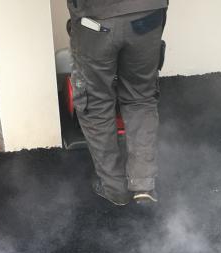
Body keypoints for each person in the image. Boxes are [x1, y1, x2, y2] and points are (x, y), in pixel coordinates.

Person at [67, 0, 168, 206]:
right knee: (140, 98)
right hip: (148, 12)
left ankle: (114, 188)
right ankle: (143, 183)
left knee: (95, 103)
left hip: (96, 19)